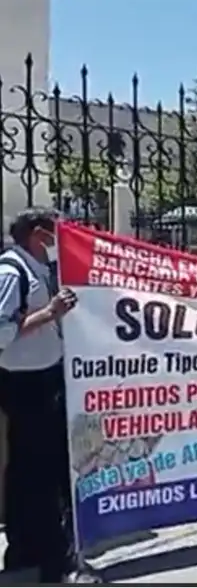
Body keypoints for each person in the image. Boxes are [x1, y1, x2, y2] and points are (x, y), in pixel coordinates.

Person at [0, 208, 102, 583]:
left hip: (43, 380)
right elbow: (1, 334)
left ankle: (25, 553)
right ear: (39, 235)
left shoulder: (35, 269)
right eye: (56, 231)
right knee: (46, 476)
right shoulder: (12, 272)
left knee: (30, 474)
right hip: (29, 386)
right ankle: (55, 565)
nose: (61, 238)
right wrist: (50, 312)